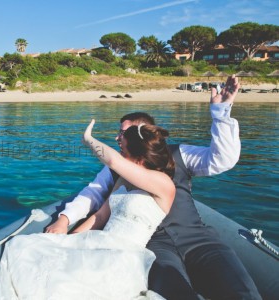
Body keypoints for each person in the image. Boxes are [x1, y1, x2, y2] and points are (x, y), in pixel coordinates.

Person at [45, 75, 261, 299]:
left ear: (146, 132)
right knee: (172, 292)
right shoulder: (117, 169)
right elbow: (94, 194)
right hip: (154, 247)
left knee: (241, 292)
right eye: (120, 132)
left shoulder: (179, 154)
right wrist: (65, 220)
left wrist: (221, 113)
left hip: (198, 238)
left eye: (124, 132)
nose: (118, 137)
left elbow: (222, 159)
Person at [0, 120, 176, 299]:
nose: (120, 152)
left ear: (139, 157)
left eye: (123, 149)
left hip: (124, 258)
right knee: (24, 248)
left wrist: (89, 140)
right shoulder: (123, 180)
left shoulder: (163, 184)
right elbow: (101, 216)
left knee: (61, 288)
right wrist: (70, 239)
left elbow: (114, 162)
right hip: (97, 244)